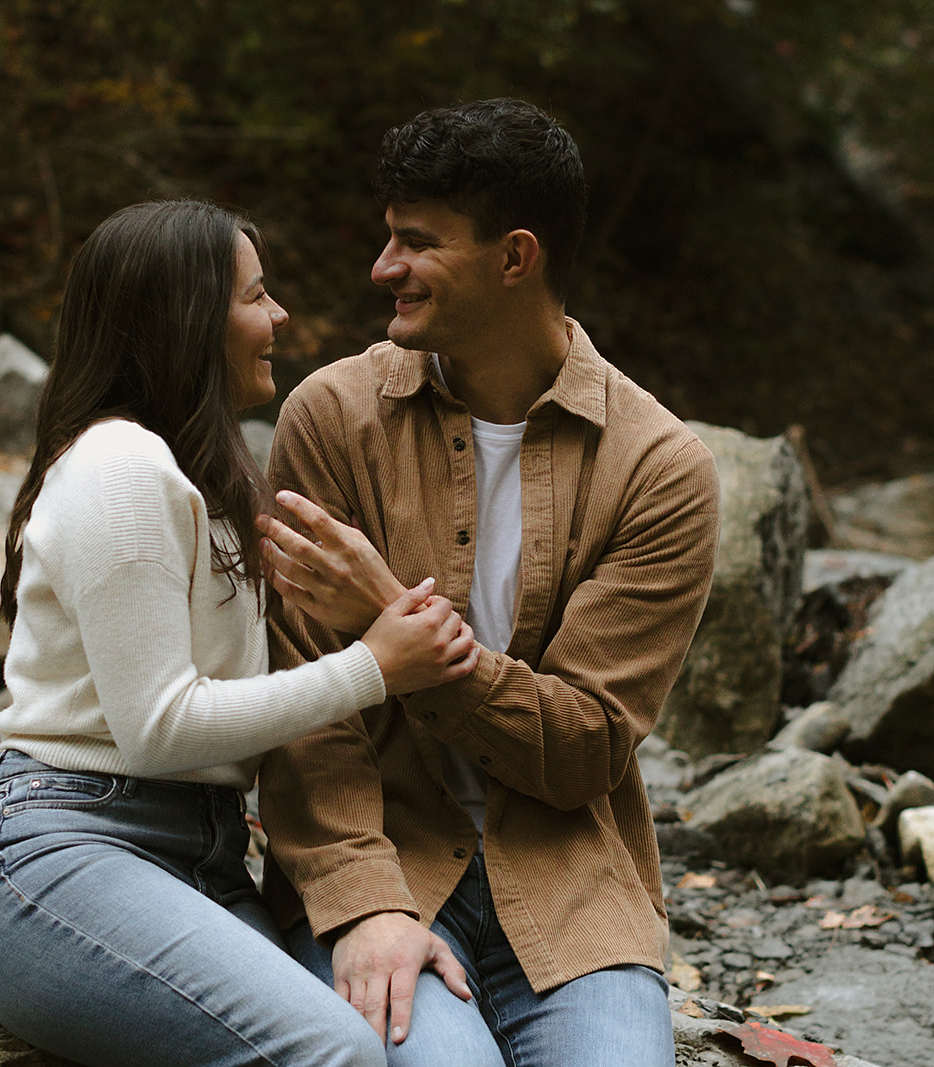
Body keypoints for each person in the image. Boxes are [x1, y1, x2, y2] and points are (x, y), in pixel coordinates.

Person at [0, 198, 480, 1067]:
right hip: (65, 855)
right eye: (255, 296)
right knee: (333, 1052)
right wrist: (374, 666)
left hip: (204, 855)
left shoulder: (201, 480)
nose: (278, 317)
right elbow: (160, 727)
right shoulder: (120, 466)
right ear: (186, 317)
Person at [255, 99, 721, 1067]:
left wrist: (398, 629)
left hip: (572, 892)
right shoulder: (332, 417)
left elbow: (584, 747)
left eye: (416, 243)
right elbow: (300, 716)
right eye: (388, 238)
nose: (384, 269)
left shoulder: (659, 465)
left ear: (516, 258)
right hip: (377, 866)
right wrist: (362, 903)